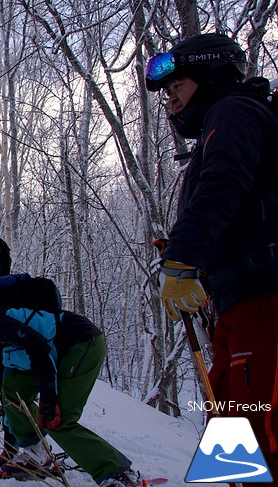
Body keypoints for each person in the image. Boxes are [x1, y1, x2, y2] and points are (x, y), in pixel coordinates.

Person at [146, 33, 278, 481]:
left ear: (208, 73)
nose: (169, 99)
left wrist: (184, 257)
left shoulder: (235, 111)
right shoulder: (224, 122)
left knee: (258, 426)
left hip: (265, 297)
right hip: (238, 298)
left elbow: (223, 184)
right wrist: (196, 262)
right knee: (230, 427)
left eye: (176, 85)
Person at [0, 308, 138, 486]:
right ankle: (36, 453)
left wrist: (48, 400)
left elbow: (38, 345)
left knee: (57, 419)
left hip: (80, 343)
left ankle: (117, 472)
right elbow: (9, 395)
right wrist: (10, 448)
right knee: (12, 388)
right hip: (53, 354)